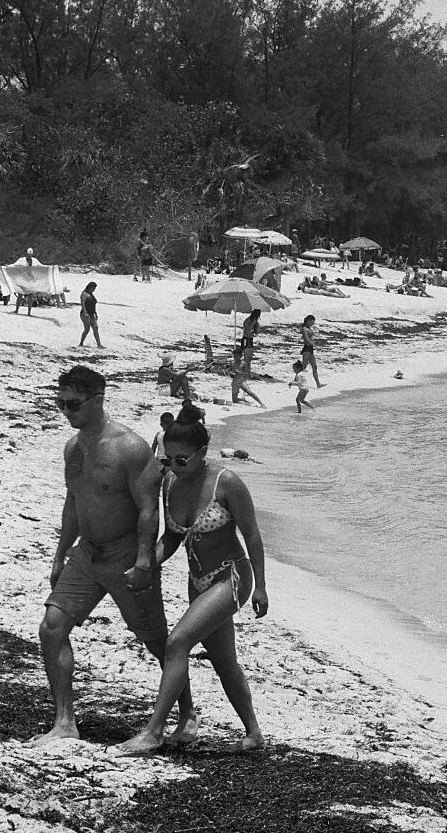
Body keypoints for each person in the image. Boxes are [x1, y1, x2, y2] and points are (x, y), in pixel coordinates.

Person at [38, 365, 193, 744]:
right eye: (60, 403)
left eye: (73, 404)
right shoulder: (73, 448)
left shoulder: (129, 447)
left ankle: (187, 714)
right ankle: (64, 723)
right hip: (86, 554)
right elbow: (73, 502)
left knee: (158, 642)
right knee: (52, 627)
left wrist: (143, 561)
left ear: (98, 401)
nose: (66, 411)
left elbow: (148, 510)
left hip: (126, 555)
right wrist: (60, 555)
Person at [117, 404, 267, 755]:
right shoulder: (171, 483)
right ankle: (254, 734)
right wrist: (144, 565)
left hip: (231, 577)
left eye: (182, 460)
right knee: (224, 661)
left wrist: (261, 587)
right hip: (197, 580)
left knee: (177, 642)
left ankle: (153, 731)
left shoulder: (226, 483)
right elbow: (172, 537)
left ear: (203, 452)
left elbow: (253, 536)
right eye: (168, 459)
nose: (173, 466)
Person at [78, 280, 102, 349]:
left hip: (92, 314)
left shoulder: (91, 294)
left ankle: (99, 344)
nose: (94, 289)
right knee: (87, 329)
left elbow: (93, 305)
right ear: (90, 287)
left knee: (95, 328)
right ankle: (81, 342)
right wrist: (85, 313)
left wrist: (95, 313)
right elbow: (83, 303)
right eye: (93, 288)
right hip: (84, 313)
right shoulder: (84, 294)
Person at [300, 314, 322, 387]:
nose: (313, 323)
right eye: (312, 322)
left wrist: (313, 344)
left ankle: (318, 384)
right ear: (308, 321)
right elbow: (306, 339)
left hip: (310, 349)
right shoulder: (304, 328)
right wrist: (313, 344)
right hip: (307, 349)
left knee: (314, 366)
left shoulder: (308, 328)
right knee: (304, 366)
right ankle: (295, 380)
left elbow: (309, 338)